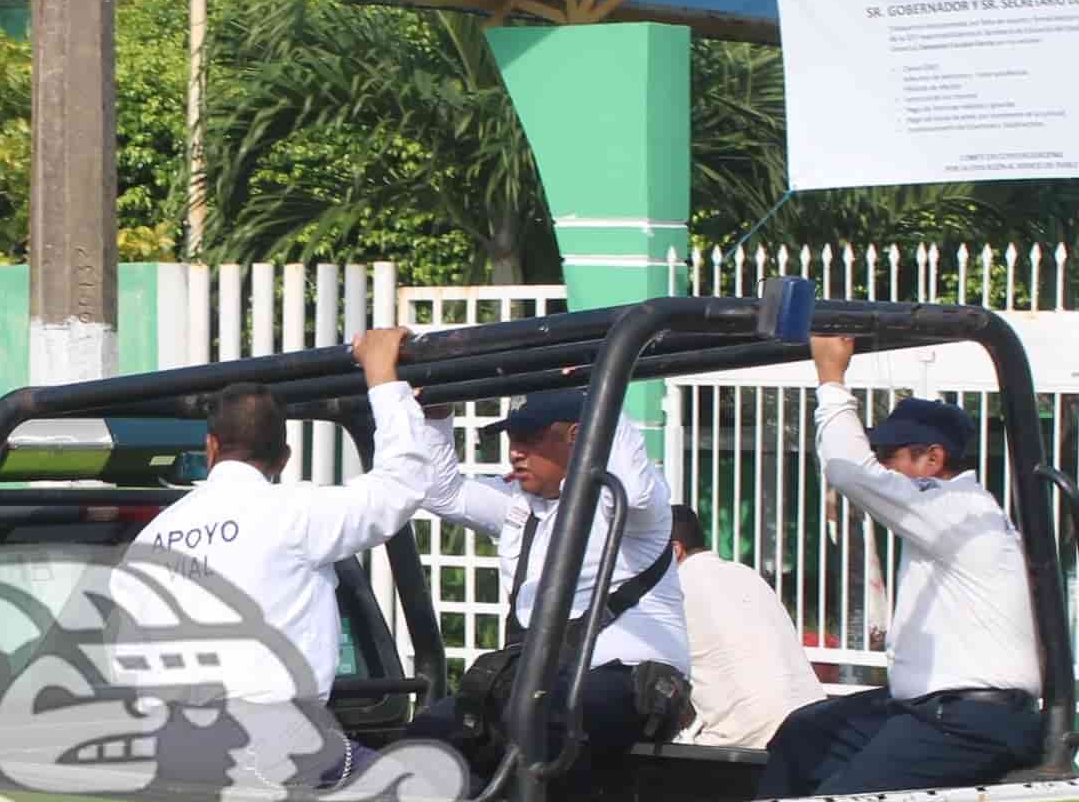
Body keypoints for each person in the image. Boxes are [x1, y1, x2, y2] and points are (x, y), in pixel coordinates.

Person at [759, 335, 1045, 800]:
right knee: (804, 736)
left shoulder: (953, 508)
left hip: (969, 720)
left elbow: (850, 470)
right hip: (935, 708)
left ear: (933, 458)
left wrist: (831, 376)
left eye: (891, 458)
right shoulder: (954, 514)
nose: (885, 472)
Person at [130, 326, 448, 719]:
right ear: (283, 457)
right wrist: (381, 374)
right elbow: (400, 487)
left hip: (170, 751)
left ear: (211, 448)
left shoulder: (149, 541)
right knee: (417, 779)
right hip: (276, 749)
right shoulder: (295, 514)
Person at [415, 386, 690, 763]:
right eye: (514, 438)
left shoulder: (625, 506)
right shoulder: (519, 505)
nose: (516, 451)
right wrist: (435, 414)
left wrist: (602, 391)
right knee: (425, 738)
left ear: (579, 436)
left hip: (627, 680)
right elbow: (440, 494)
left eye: (531, 438)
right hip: (542, 681)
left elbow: (636, 496)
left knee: (538, 724)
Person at [670, 504, 827, 750]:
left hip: (749, 741)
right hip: (815, 719)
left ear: (674, 551)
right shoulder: (746, 574)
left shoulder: (674, 590)